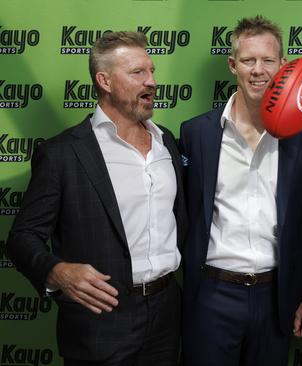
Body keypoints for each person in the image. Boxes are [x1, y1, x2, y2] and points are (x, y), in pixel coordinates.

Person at [7, 31, 186, 366]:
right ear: (104, 80)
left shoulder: (168, 144)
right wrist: (56, 270)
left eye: (152, 71)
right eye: (138, 73)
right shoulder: (62, 153)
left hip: (167, 316)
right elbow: (22, 237)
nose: (152, 81)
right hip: (100, 322)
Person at [179, 15, 302, 366]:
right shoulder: (197, 133)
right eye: (248, 60)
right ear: (233, 65)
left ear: (283, 67)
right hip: (212, 294)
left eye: (267, 60)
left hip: (276, 297)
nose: (258, 70)